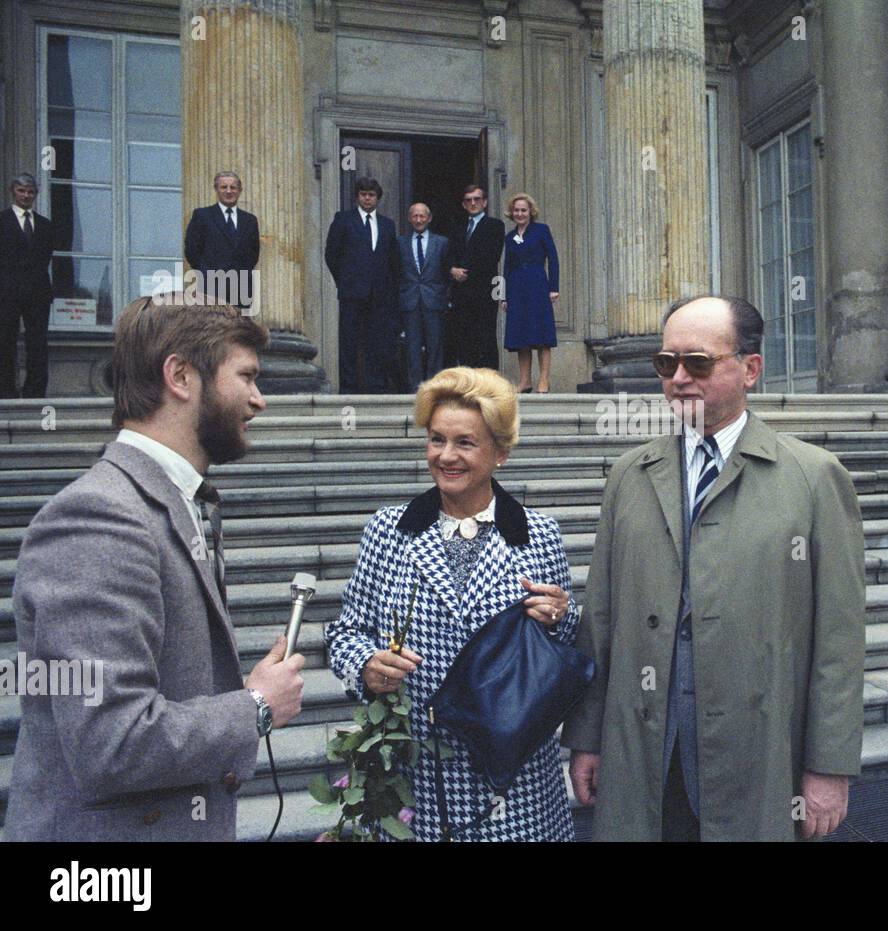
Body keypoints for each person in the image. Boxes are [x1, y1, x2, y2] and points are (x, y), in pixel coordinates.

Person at [560, 295, 867, 842]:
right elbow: (600, 618)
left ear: (750, 369)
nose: (678, 378)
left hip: (757, 755)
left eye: (697, 363)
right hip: (646, 752)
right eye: (666, 363)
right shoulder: (630, 475)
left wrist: (829, 767)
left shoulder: (815, 477)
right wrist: (587, 737)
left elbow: (838, 640)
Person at [4, 293, 305, 842]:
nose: (259, 400)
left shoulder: (166, 499)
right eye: (247, 377)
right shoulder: (97, 517)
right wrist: (255, 706)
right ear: (181, 377)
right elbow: (112, 742)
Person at [325, 367, 580, 841]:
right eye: (436, 440)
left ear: (501, 453)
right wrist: (366, 664)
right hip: (414, 786)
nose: (446, 456)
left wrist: (563, 616)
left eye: (465, 442)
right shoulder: (388, 531)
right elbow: (344, 632)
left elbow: (563, 654)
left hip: (515, 791)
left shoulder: (540, 537)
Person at [325, 176, 401, 393]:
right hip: (351, 292)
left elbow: (392, 260)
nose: (367, 199)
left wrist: (388, 288)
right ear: (357, 197)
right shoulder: (343, 219)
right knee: (349, 340)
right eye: (363, 194)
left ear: (378, 198)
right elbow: (332, 254)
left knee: (377, 340)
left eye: (371, 195)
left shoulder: (388, 224)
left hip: (380, 295)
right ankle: (349, 386)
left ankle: (375, 385)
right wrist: (344, 281)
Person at [0, 173, 55, 399]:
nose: (26, 195)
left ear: (35, 194)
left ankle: (35, 391)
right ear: (13, 191)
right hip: (7, 291)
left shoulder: (45, 225)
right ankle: (5, 391)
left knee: (38, 343)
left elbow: (45, 257)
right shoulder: (2, 220)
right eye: (22, 191)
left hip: (38, 292)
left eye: (31, 191)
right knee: (5, 340)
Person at [502, 193, 560, 394]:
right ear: (512, 212)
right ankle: (525, 381)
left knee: (542, 334)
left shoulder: (541, 230)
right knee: (521, 336)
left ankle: (544, 380)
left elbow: (553, 259)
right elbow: (506, 267)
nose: (519, 213)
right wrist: (504, 295)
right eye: (516, 210)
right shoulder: (510, 237)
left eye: (523, 210)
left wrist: (554, 287)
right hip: (517, 286)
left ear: (530, 212)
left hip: (537, 283)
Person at [183, 170, 260, 309]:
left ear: (240, 190)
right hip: (210, 289)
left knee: (238, 330)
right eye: (224, 187)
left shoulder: (250, 220)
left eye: (233, 187)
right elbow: (191, 250)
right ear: (216, 189)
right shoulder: (202, 215)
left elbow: (253, 254)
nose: (229, 191)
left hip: (240, 289)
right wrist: (206, 272)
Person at [447, 185, 505, 371]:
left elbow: (491, 257)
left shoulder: (495, 225)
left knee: (486, 338)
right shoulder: (457, 226)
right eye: (468, 200)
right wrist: (452, 270)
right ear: (464, 204)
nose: (473, 203)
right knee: (464, 340)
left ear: (485, 202)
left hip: (484, 292)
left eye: (477, 199)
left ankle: (489, 384)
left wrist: (466, 273)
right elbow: (449, 254)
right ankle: (468, 385)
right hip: (460, 294)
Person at [397, 202, 452, 391]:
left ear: (429, 218)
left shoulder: (442, 242)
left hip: (434, 300)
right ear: (409, 218)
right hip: (409, 300)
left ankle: (434, 387)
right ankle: (415, 388)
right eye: (415, 216)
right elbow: (396, 273)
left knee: (435, 345)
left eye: (422, 216)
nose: (419, 220)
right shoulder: (400, 243)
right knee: (412, 347)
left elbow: (446, 272)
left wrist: (445, 297)